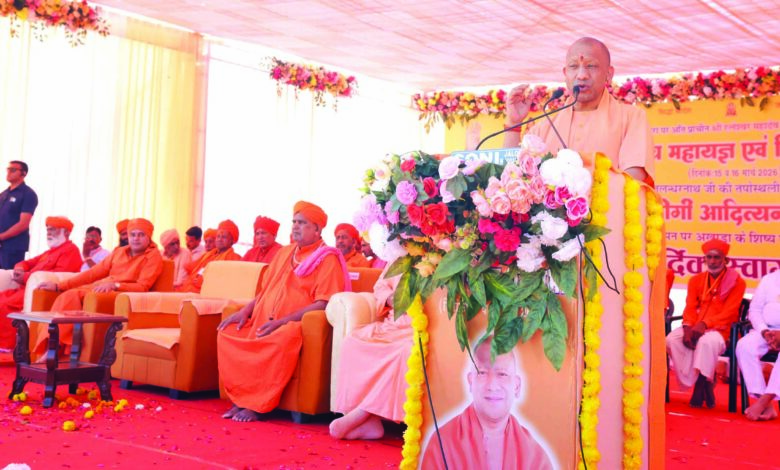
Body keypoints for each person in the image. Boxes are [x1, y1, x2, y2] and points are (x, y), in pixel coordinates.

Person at [217, 201, 349, 423]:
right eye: (294, 222)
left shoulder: (327, 258)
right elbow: (265, 290)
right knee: (228, 331)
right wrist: (245, 310)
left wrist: (282, 322)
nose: (296, 226)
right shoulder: (285, 253)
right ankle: (242, 399)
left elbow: (324, 303)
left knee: (280, 338)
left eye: (302, 223)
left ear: (317, 229)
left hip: (293, 325)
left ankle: (258, 406)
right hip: (263, 319)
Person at [503, 37, 653, 184]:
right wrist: (514, 123)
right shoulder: (546, 127)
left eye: (591, 66)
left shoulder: (631, 118)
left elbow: (634, 180)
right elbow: (514, 176)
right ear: (565, 74)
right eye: (573, 66)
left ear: (608, 74)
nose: (581, 75)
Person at [35, 218, 164, 354]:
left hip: (119, 294)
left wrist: (116, 285)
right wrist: (59, 286)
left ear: (149, 237)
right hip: (101, 288)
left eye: (141, 235)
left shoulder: (153, 256)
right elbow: (93, 273)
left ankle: (52, 349)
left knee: (70, 295)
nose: (136, 238)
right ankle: (52, 347)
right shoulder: (119, 252)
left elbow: (142, 287)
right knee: (66, 295)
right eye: (133, 234)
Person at [421, 338, 553, 470]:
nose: (492, 386)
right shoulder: (443, 443)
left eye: (502, 374)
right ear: (471, 381)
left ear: (516, 386)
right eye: (482, 373)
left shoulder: (535, 457)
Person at [329, 265, 406, 440]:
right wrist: (390, 298)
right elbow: (380, 286)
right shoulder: (397, 258)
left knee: (403, 351)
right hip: (392, 324)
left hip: (421, 328)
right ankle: (370, 423)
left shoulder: (439, 257)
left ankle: (362, 413)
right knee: (352, 342)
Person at [666, 239, 746, 408]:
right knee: (671, 340)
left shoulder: (737, 282)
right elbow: (689, 307)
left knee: (706, 343)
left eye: (717, 257)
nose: (712, 261)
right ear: (704, 259)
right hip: (695, 325)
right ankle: (702, 379)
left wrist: (705, 324)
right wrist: (687, 326)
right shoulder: (696, 280)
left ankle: (701, 384)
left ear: (726, 260)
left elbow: (730, 312)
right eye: (709, 257)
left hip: (722, 329)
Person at [0, 217, 82, 350]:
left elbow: (58, 276)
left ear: (66, 232)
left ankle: (6, 346)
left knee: (4, 304)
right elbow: (28, 262)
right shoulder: (50, 252)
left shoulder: (71, 250)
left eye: (53, 229)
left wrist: (25, 277)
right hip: (24, 289)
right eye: (47, 229)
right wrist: (20, 268)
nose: (48, 232)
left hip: (40, 292)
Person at [736, 269, 780, 420]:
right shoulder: (769, 279)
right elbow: (754, 310)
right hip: (767, 330)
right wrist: (764, 331)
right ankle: (765, 403)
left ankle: (764, 400)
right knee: (744, 346)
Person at [176, 220, 241, 293]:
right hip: (191, 288)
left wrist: (204, 282)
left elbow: (226, 282)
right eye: (218, 236)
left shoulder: (234, 258)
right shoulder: (208, 254)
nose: (220, 239)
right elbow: (192, 267)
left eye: (224, 237)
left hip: (208, 293)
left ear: (232, 241)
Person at [0, 161, 38, 269]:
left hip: (13, 247)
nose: (9, 172)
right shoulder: (4, 194)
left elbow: (23, 224)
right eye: (8, 169)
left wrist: (1, 237)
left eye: (13, 170)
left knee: (8, 277)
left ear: (23, 173)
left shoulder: (28, 194)